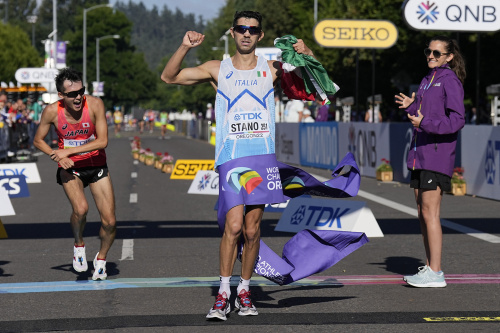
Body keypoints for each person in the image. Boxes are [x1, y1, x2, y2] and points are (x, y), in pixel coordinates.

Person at [161, 11, 320, 321]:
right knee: (233, 226)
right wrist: (184, 47)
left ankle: (244, 291)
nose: (247, 33)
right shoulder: (216, 69)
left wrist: (307, 54)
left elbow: (313, 86)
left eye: (253, 29)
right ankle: (223, 293)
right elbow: (169, 77)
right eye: (241, 28)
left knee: (251, 229)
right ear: (232, 33)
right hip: (232, 157)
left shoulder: (273, 68)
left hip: (262, 156)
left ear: (260, 35)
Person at [395, 35, 466, 288]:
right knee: (422, 212)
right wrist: (411, 106)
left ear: (449, 57)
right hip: (420, 152)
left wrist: (424, 121)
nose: (431, 56)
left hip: (436, 155)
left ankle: (436, 272)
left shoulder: (450, 80)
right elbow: (421, 117)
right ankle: (429, 267)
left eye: (437, 53)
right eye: (428, 51)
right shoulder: (427, 80)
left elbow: (457, 120)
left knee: (430, 212)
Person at [33, 67, 117, 281]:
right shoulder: (52, 111)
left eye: (81, 91)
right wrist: (57, 155)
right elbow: (38, 140)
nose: (78, 97)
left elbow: (102, 141)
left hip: (96, 164)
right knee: (81, 209)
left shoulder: (95, 104)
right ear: (61, 95)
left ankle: (101, 259)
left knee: (109, 222)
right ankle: (79, 244)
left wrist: (68, 150)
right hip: (70, 167)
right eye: (72, 94)